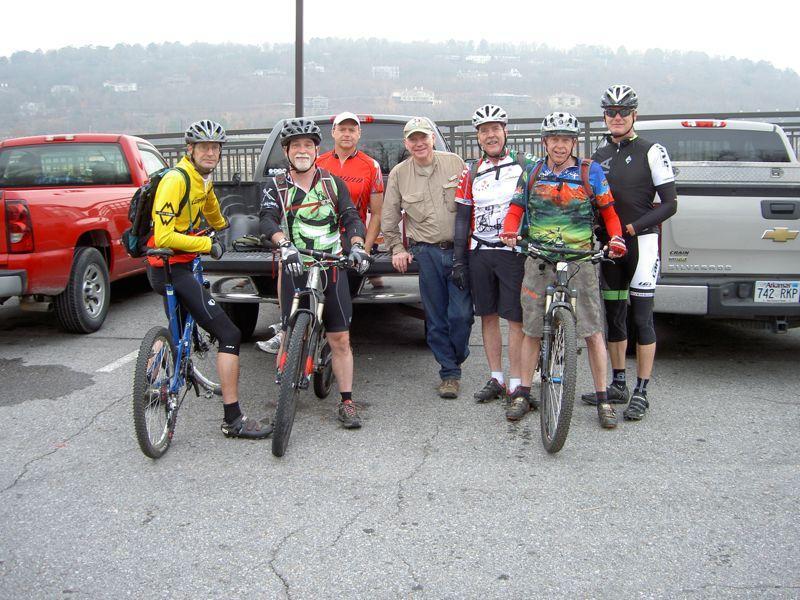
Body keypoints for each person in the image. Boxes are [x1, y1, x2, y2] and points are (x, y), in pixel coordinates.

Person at [500, 112, 627, 428]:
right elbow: (516, 208)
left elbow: (609, 212)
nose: (560, 145)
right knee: (531, 329)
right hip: (539, 258)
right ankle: (523, 394)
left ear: (574, 142)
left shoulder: (590, 172)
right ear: (545, 142)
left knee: (592, 331)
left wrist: (615, 238)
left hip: (579, 261)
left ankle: (603, 399)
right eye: (554, 139)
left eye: (566, 139)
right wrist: (509, 230)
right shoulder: (532, 172)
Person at [147, 119, 271, 439]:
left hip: (170, 267)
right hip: (173, 267)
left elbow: (214, 212)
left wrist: (225, 228)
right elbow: (163, 234)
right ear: (190, 149)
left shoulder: (200, 180)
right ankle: (233, 419)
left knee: (180, 330)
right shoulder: (177, 180)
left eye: (215, 148)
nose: (210, 153)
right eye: (204, 147)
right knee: (229, 332)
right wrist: (208, 244)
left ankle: (157, 382)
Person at [258, 118, 370, 429]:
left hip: (330, 267)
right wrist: (284, 244)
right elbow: (267, 220)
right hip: (295, 265)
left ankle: (347, 401)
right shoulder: (277, 186)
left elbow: (351, 218)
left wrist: (358, 245)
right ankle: (283, 394)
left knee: (340, 339)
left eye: (308, 145)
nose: (303, 150)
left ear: (317, 149)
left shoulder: (333, 184)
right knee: (288, 329)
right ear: (287, 151)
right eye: (296, 146)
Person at [581, 85, 678, 421]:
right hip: (611, 247)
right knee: (614, 315)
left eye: (624, 111)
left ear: (635, 115)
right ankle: (619, 382)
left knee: (641, 318)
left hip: (642, 243)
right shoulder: (600, 154)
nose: (617, 117)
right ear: (605, 117)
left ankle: (642, 390)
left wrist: (632, 229)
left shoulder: (652, 150)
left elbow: (669, 205)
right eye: (611, 112)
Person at [382, 116, 474, 398]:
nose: (419, 143)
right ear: (406, 144)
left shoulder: (455, 163)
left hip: (459, 251)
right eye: (413, 139)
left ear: (433, 138)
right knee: (435, 318)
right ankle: (449, 373)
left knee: (461, 315)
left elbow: (472, 204)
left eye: (424, 137)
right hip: (427, 253)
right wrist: (397, 248)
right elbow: (389, 216)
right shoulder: (399, 173)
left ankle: (457, 353)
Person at [454, 105, 527, 404]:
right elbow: (461, 217)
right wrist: (459, 259)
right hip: (479, 252)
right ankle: (496, 377)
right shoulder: (470, 172)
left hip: (512, 253)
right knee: (488, 316)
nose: (490, 134)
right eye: (484, 131)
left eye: (495, 128)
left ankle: (516, 381)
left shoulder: (524, 166)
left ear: (505, 132)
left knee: (515, 319)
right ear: (478, 138)